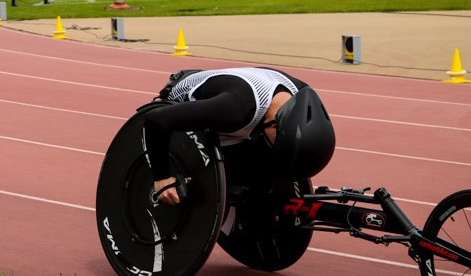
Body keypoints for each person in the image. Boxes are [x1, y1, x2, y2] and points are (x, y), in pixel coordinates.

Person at [143, 67, 335, 206]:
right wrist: (162, 177)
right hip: (185, 104)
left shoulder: (301, 96)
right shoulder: (235, 109)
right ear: (275, 124)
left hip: (236, 95)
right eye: (279, 142)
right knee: (244, 177)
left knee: (265, 170)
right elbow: (156, 120)